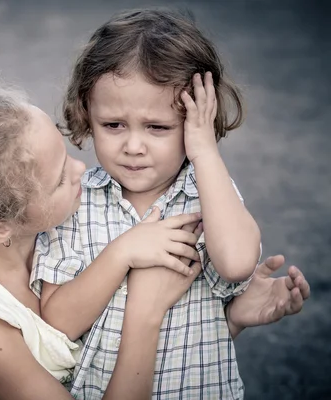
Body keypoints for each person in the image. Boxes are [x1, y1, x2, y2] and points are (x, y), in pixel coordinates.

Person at [0, 91, 310, 400]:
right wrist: (144, 305)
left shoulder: (52, 232)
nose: (81, 169)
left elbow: (107, 352)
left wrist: (229, 320)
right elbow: (131, 329)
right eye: (60, 179)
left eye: (64, 149)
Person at [30, 8, 302, 399]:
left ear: (196, 122)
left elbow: (239, 263)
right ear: (87, 114)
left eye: (158, 127)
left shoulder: (207, 192)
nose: (134, 146)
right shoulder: (74, 201)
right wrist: (122, 252)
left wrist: (205, 151)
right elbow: (56, 322)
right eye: (113, 125)